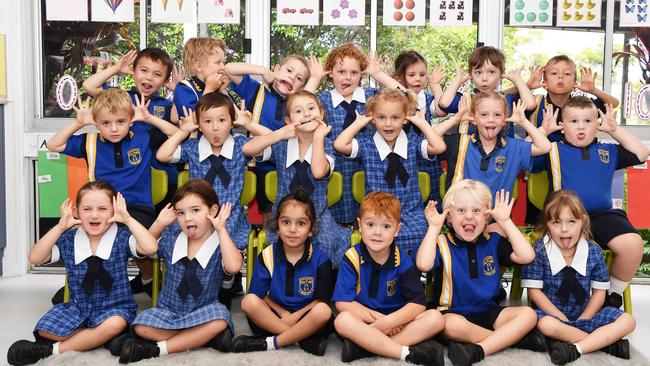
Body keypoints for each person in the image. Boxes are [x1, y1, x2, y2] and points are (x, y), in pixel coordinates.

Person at [7, 181, 158, 365]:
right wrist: (60, 227)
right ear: (76, 212)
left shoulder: (121, 236)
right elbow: (35, 258)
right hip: (78, 309)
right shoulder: (70, 239)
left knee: (115, 324)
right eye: (87, 209)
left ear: (113, 212)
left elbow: (150, 247)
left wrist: (127, 219)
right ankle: (100, 338)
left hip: (114, 309)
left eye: (103, 209)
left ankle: (50, 349)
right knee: (45, 329)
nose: (94, 215)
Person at [533, 96, 649, 309]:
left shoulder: (609, 150)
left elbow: (642, 153)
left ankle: (610, 296)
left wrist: (614, 130)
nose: (581, 127)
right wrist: (543, 132)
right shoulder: (552, 149)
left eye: (588, 121)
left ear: (597, 125)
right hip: (563, 219)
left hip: (602, 216)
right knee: (564, 250)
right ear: (562, 125)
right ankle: (559, 301)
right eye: (574, 121)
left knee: (632, 244)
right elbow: (521, 154)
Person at [416, 180, 545, 366]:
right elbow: (423, 264)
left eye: (476, 211)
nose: (469, 217)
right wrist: (434, 228)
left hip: (488, 312)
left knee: (528, 315)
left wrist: (506, 222)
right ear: (449, 217)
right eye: (461, 211)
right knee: (452, 326)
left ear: (487, 217)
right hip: (452, 313)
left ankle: (480, 348)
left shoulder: (493, 241)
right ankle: (511, 339)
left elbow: (526, 256)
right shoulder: (441, 242)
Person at [119, 179, 242, 363]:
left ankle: (157, 349)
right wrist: (160, 223)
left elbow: (233, 267)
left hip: (204, 311)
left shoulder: (220, 244)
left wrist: (222, 229)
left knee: (220, 319)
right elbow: (145, 248)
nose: (188, 218)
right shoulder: (172, 240)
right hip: (168, 311)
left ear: (213, 211)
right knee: (140, 325)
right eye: (180, 213)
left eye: (196, 210)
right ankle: (198, 338)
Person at [522, 190, 636, 365]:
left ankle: (576, 348)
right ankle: (604, 344)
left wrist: (585, 318)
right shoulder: (539, 251)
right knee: (544, 325)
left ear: (583, 221)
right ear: (547, 224)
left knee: (628, 321)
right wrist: (561, 318)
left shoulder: (593, 251)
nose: (565, 229)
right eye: (556, 222)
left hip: (586, 314)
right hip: (552, 316)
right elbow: (534, 293)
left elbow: (599, 293)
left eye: (572, 222)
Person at [333, 191, 446, 365]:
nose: (377, 232)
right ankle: (405, 352)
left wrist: (392, 321)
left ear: (397, 230)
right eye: (370, 224)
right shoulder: (352, 257)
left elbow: (418, 304)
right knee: (342, 321)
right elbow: (343, 303)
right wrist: (381, 322)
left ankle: (363, 347)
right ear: (360, 225)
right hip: (367, 321)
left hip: (397, 321)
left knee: (436, 319)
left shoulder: (403, 261)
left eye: (386, 226)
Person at [334, 88, 446, 257]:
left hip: (410, 212)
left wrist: (422, 123)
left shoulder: (413, 143)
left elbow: (439, 147)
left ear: (405, 118)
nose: (388, 124)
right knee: (379, 236)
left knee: (417, 235)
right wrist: (358, 123)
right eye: (381, 117)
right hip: (377, 213)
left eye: (395, 117)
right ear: (373, 117)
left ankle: (409, 275)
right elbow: (339, 144)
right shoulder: (366, 145)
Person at [242, 90, 351, 264]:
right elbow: (247, 149)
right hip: (285, 218)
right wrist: (279, 134)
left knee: (324, 245)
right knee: (281, 247)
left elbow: (317, 172)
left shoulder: (327, 146)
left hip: (317, 218)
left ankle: (319, 284)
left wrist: (318, 138)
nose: (306, 114)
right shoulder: (282, 146)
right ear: (288, 120)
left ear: (321, 114)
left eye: (311, 109)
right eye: (298, 111)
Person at [305, 43, 405, 225]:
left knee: (372, 220)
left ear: (362, 74)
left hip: (372, 170)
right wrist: (314, 78)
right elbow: (299, 106)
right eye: (341, 72)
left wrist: (378, 74)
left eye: (354, 72)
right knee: (338, 223)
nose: (348, 77)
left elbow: (405, 97)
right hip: (335, 170)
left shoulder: (372, 96)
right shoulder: (322, 100)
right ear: (330, 73)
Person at [233, 189, 333, 356]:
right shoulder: (267, 256)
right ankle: (301, 339)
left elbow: (320, 301)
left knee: (324, 311)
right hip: (274, 317)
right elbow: (258, 294)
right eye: (286, 222)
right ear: (277, 226)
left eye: (301, 223)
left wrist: (294, 317)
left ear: (311, 229)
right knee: (248, 302)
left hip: (306, 317)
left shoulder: (321, 260)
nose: (292, 229)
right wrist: (283, 313)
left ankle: (271, 342)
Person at [225, 55, 311, 226]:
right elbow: (228, 69)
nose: (292, 77)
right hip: (254, 165)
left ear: (301, 87)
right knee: (259, 213)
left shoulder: (298, 107)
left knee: (282, 212)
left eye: (299, 78)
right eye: (288, 71)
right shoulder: (256, 91)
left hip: (282, 167)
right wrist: (264, 71)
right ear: (277, 69)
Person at [437, 46, 536, 136]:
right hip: (470, 152)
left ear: (501, 74)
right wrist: (457, 81)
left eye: (491, 72)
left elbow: (530, 104)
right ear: (471, 75)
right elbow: (444, 103)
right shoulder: (467, 100)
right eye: (478, 72)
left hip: (503, 154)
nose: (484, 78)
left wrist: (518, 81)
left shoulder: (507, 99)